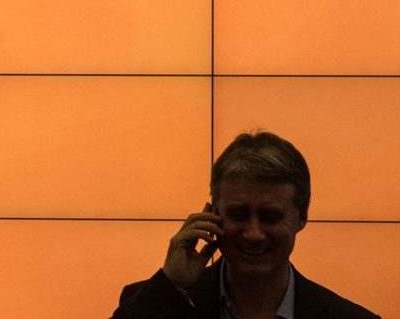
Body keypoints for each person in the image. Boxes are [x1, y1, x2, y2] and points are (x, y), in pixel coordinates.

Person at [111, 131, 379, 318]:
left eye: (270, 216)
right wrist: (172, 286)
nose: (253, 233)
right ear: (212, 214)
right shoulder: (157, 303)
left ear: (302, 217)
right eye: (238, 214)